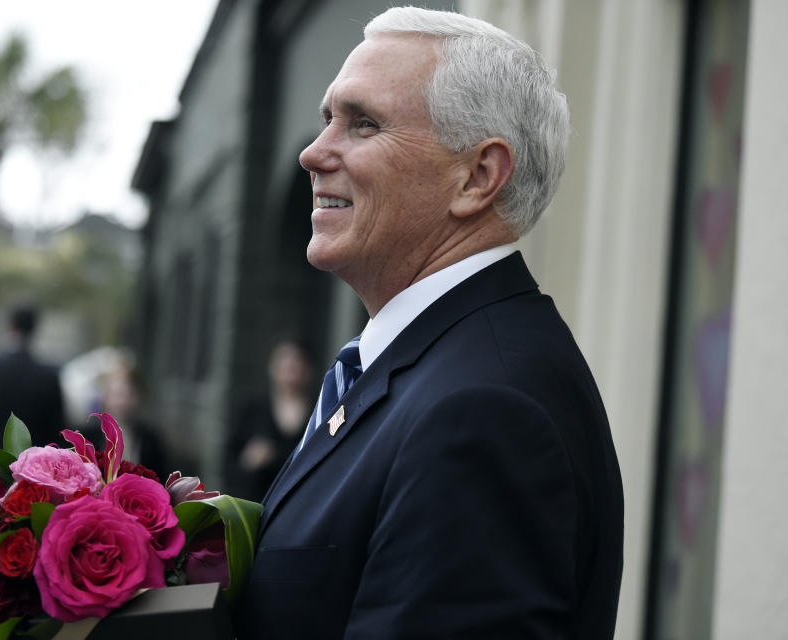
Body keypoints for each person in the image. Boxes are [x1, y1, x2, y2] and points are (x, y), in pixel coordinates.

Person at [234, 8, 623, 639]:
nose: (312, 153)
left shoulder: (485, 408)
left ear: (476, 178)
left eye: (363, 124)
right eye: (326, 119)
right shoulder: (432, 368)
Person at [224, 338, 315, 501]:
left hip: (298, 503)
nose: (290, 366)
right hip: (254, 503)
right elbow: (227, 463)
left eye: (296, 361)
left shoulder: (318, 412)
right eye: (284, 360)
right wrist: (248, 460)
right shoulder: (252, 409)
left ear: (308, 369)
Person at [0, 305, 65, 453]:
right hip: (31, 471)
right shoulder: (48, 377)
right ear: (34, 329)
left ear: (10, 326)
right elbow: (56, 432)